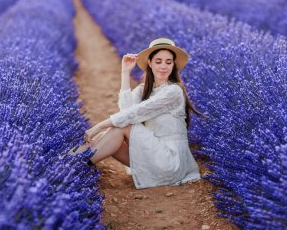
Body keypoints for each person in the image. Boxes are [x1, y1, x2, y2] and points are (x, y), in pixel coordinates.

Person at [69, 37, 203, 189]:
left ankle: (73, 167)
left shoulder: (174, 91)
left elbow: (135, 113)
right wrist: (125, 72)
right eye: (158, 61)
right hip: (153, 155)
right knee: (110, 134)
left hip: (171, 162)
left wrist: (98, 126)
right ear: (150, 64)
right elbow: (126, 112)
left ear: (173, 65)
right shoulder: (143, 89)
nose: (163, 66)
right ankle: (70, 161)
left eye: (168, 62)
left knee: (117, 128)